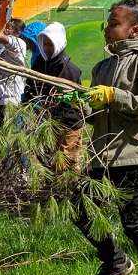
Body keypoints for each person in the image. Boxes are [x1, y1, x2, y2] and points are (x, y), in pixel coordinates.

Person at [71, 0, 138, 275]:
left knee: (134, 223)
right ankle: (115, 261)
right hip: (102, 155)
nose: (107, 29)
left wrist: (114, 95)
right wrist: (81, 104)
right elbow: (100, 109)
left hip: (131, 155)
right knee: (80, 208)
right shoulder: (102, 66)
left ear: (134, 30)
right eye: (107, 24)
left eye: (114, 24)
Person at [22, 21, 84, 172]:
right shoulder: (40, 62)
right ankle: (54, 192)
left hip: (69, 123)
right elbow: (32, 85)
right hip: (50, 120)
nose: (47, 48)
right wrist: (27, 103)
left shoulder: (66, 67)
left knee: (65, 161)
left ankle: (69, 191)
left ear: (58, 43)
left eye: (51, 45)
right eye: (45, 44)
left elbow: (72, 100)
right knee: (50, 159)